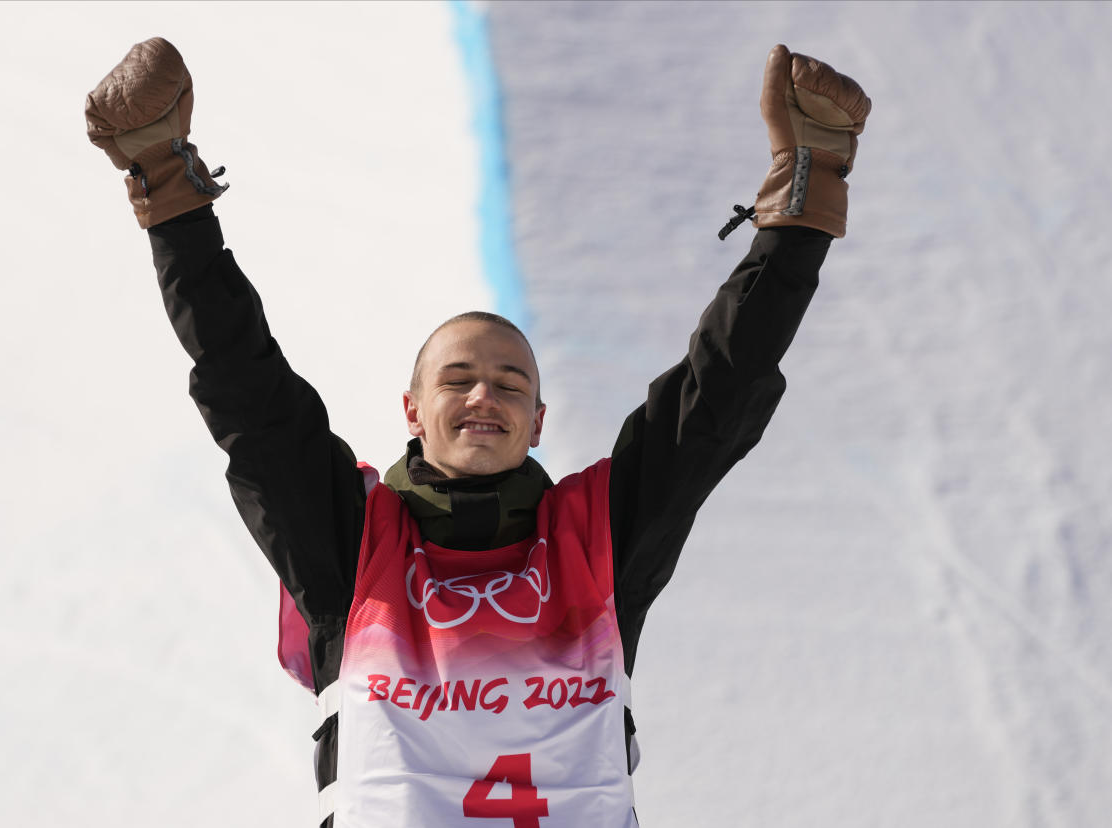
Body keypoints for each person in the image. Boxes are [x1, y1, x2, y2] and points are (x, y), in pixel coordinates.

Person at [86, 37, 870, 828]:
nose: (483, 394)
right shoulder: (350, 548)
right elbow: (247, 393)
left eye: (510, 383)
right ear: (413, 412)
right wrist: (168, 192)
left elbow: (714, 398)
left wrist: (804, 203)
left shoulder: (597, 543)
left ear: (537, 423)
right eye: (457, 379)